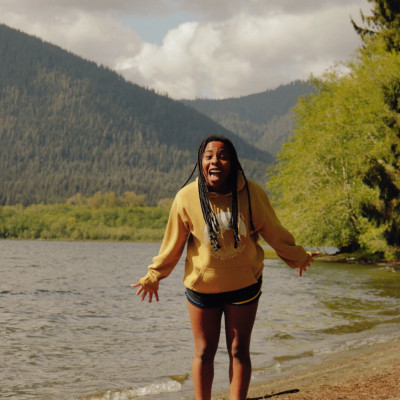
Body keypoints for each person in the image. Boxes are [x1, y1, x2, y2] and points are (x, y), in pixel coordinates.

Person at [132, 135, 316, 400]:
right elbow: (172, 245)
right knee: (204, 351)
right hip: (202, 288)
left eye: (222, 156)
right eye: (208, 156)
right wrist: (154, 275)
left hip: (244, 285)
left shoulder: (252, 193)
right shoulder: (186, 197)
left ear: (233, 162)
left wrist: (298, 257)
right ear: (201, 162)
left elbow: (274, 232)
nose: (215, 161)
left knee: (239, 351)